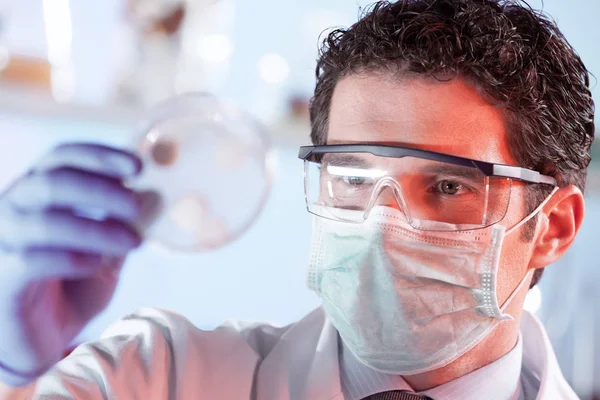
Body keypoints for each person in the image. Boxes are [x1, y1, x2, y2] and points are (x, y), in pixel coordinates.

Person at [0, 0, 594, 398]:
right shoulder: (161, 374)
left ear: (554, 226)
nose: (381, 226)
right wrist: (12, 362)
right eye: (355, 178)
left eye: (447, 186)